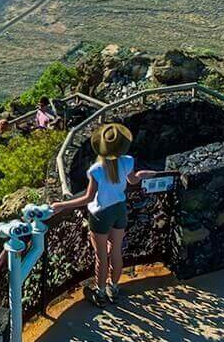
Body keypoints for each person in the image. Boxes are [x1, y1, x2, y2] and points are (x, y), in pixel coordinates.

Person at [57, 122, 158, 305]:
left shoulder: (96, 170)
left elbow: (88, 198)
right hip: (120, 209)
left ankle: (101, 293)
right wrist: (143, 174)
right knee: (116, 251)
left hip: (101, 214)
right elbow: (133, 180)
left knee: (101, 256)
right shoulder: (127, 161)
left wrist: (62, 205)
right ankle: (114, 288)